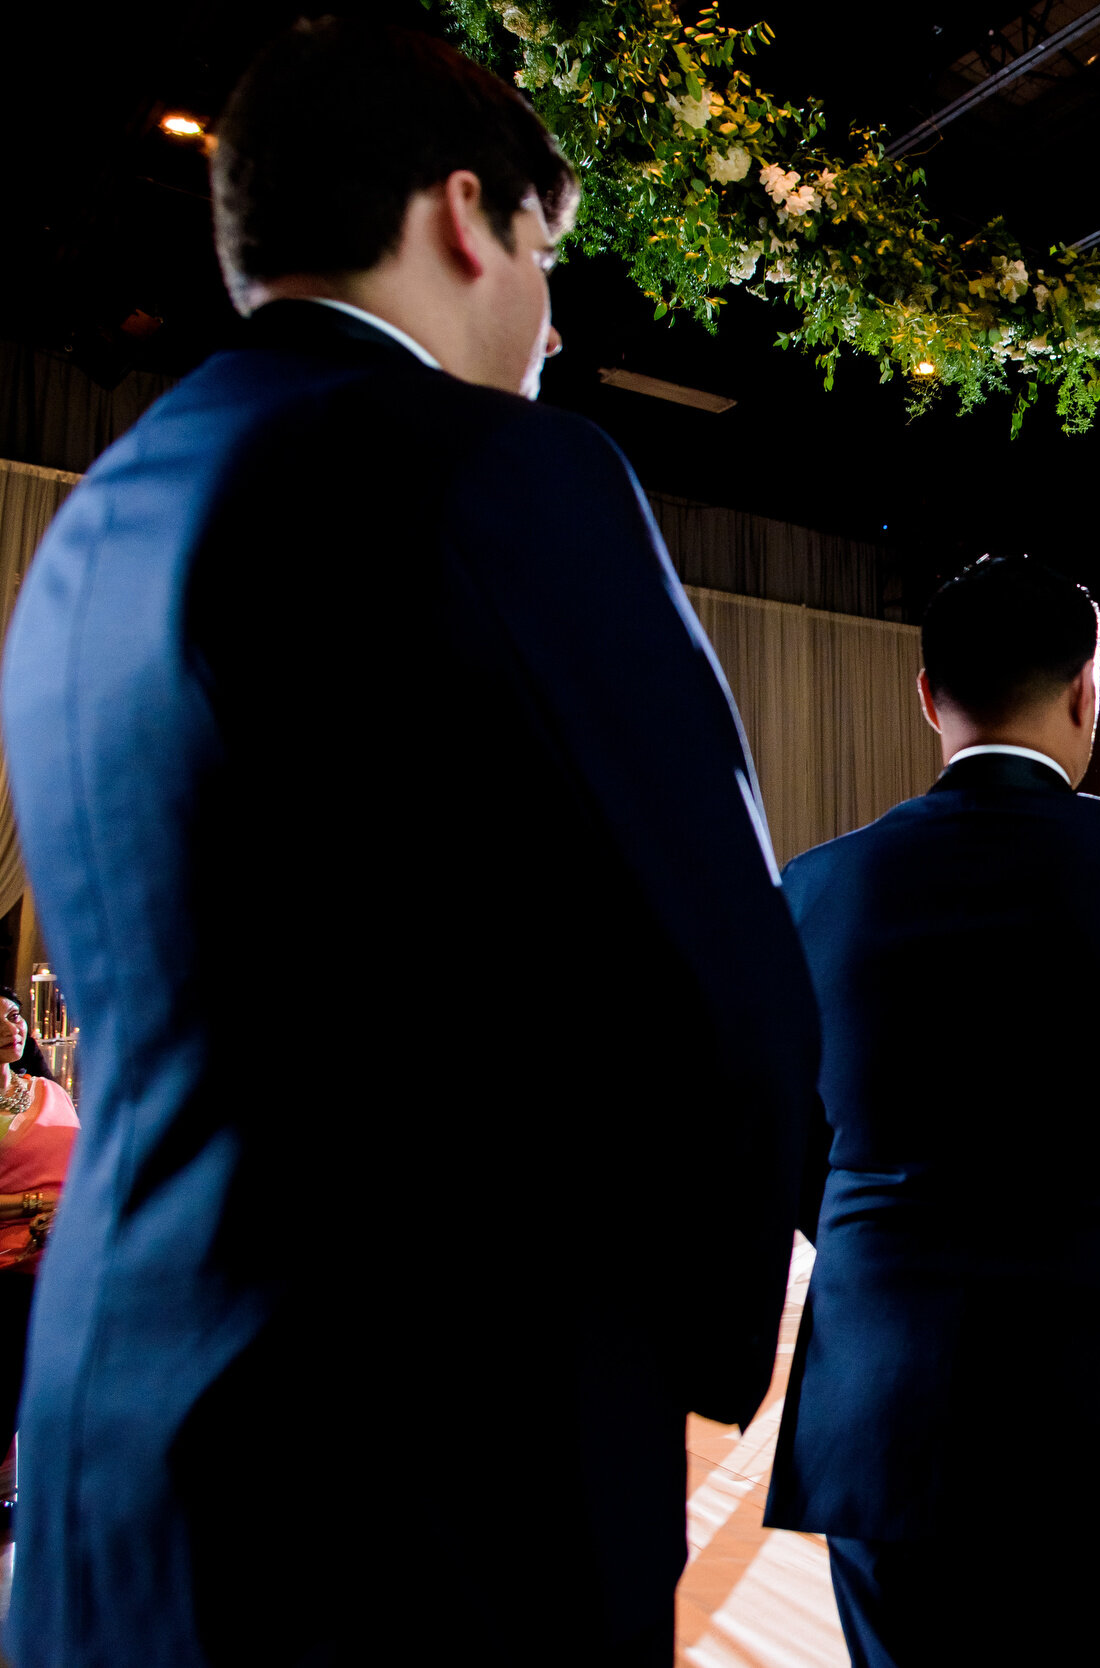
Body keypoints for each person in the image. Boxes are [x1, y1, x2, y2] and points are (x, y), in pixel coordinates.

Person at [0, 23, 823, 1665]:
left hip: (105, 1420)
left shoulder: (91, 520)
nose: (551, 305)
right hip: (420, 1446)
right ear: (464, 215)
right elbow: (724, 971)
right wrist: (687, 1344)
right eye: (542, 246)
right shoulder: (499, 474)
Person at [766, 561, 1100, 1663]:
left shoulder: (817, 889)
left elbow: (785, 1144)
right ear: (1084, 695)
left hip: (891, 1389)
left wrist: (894, 1240)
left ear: (927, 697)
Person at [0, 989, 75, 1491]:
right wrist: (34, 1207)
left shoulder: (51, 1092)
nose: (13, 1026)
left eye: (13, 1014)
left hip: (63, 1268)